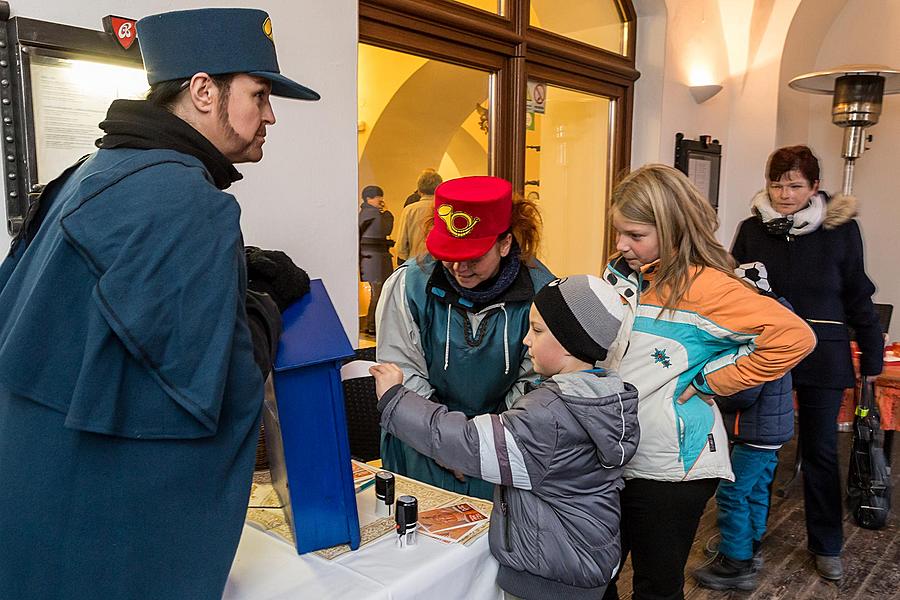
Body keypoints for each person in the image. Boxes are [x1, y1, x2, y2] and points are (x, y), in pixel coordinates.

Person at [0, 8, 318, 600]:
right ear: (203, 91)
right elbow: (218, 384)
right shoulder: (188, 200)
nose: (270, 114)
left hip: (31, 514)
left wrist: (228, 278)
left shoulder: (86, 172)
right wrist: (264, 305)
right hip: (111, 548)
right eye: (260, 93)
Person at [599, 164, 816, 600]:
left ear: (674, 229)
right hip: (614, 453)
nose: (622, 245)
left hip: (672, 468)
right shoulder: (623, 273)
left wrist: (710, 381)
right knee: (594, 574)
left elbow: (795, 337)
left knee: (656, 586)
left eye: (635, 235)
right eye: (619, 232)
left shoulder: (711, 288)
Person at [371, 274, 639, 600]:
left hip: (549, 576)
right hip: (583, 561)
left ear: (570, 343)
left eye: (537, 330)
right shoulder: (606, 393)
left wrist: (396, 400)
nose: (526, 340)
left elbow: (469, 444)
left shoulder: (550, 415)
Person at [731, 145, 884, 581]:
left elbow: (858, 293)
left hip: (824, 353)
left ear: (815, 187)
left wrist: (871, 353)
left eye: (795, 185)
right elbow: (735, 294)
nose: (784, 194)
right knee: (757, 449)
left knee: (819, 451)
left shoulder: (842, 231)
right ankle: (746, 538)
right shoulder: (751, 230)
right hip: (766, 351)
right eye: (776, 185)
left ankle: (827, 543)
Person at [376, 175, 554, 500]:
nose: (459, 268)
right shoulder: (407, 286)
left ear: (505, 243)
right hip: (422, 440)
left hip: (501, 442)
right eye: (449, 254)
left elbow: (535, 384)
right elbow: (402, 373)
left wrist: (480, 446)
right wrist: (446, 442)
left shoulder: (543, 294)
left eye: (474, 258)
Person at [693, 263, 796, 592]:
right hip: (770, 433)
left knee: (730, 494)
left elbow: (743, 392)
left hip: (755, 433)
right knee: (753, 490)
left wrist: (710, 391)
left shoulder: (757, 331)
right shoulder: (780, 324)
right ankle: (749, 545)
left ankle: (735, 562)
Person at [358, 185, 395, 335]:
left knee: (376, 293)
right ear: (369, 198)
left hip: (368, 260)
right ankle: (373, 326)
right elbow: (386, 229)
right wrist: (387, 213)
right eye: (377, 196)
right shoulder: (373, 214)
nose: (380, 199)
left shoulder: (363, 213)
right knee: (379, 293)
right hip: (377, 261)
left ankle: (370, 324)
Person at [395, 168, 443, 265]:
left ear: (419, 191)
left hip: (415, 264)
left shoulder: (409, 210)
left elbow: (401, 246)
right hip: (439, 265)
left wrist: (408, 260)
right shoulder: (444, 209)